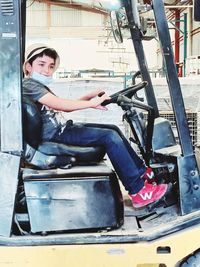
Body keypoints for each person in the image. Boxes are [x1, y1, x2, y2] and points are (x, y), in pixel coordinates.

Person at [22, 43, 168, 209]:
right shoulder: (29, 85)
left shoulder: (37, 86)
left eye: (51, 66)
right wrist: (91, 103)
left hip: (60, 130)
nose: (46, 70)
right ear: (28, 66)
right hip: (54, 135)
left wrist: (89, 97)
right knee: (109, 137)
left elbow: (63, 104)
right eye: (41, 65)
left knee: (113, 129)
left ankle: (141, 172)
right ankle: (138, 191)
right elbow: (63, 105)